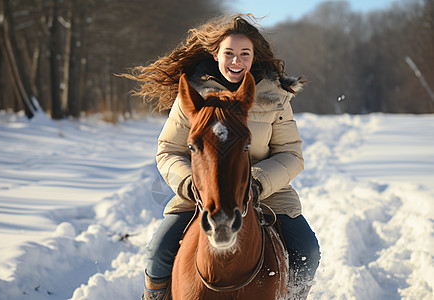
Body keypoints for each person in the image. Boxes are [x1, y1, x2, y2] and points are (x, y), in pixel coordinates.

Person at [125, 14, 320, 300]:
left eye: (244, 54)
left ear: (254, 57)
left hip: (266, 193)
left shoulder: (274, 97)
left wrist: (257, 183)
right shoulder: (191, 96)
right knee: (158, 251)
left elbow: (291, 154)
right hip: (203, 191)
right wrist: (190, 184)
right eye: (229, 53)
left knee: (307, 251)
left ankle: (292, 296)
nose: (236, 61)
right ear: (216, 54)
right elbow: (168, 150)